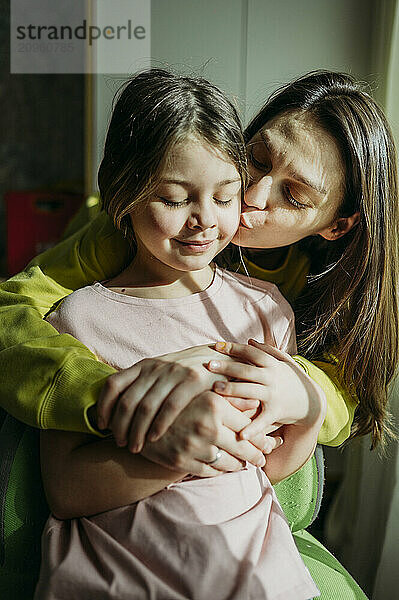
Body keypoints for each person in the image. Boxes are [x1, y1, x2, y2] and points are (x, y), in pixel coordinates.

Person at [1, 69, 397, 598]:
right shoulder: (111, 259)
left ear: (336, 225)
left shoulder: (282, 306)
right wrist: (121, 394)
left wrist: (301, 395)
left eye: (295, 195)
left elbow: (294, 443)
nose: (251, 197)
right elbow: (18, 312)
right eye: (254, 159)